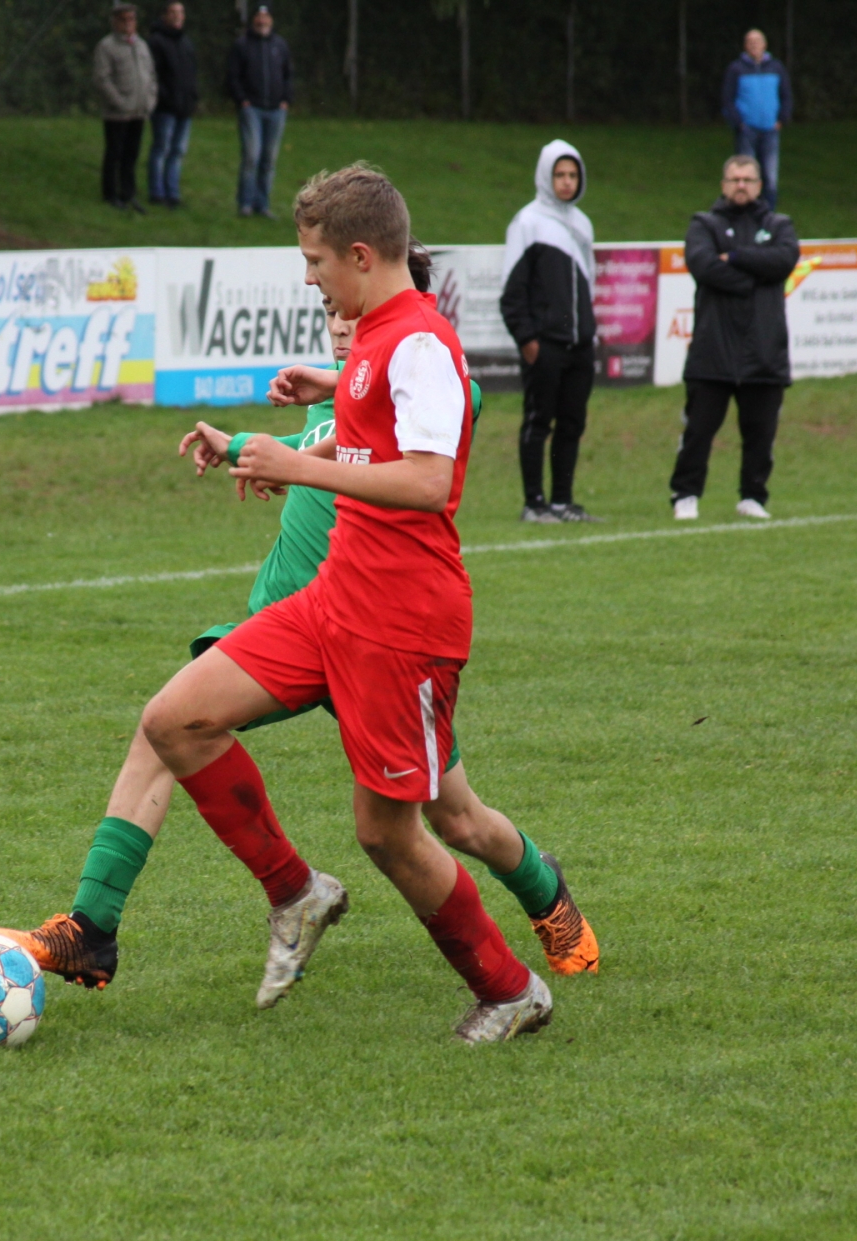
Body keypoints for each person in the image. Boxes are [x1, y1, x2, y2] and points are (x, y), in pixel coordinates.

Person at [6, 255, 598, 1002]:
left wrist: (329, 403)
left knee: (458, 820)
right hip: (294, 629)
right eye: (330, 317)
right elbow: (310, 446)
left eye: (352, 312)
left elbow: (440, 406)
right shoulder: (339, 408)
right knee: (166, 726)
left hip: (383, 642)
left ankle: (546, 897)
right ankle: (93, 926)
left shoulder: (424, 382)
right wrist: (244, 446)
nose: (342, 326)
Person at [142, 166, 553, 1043]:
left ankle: (510, 988)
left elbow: (428, 480)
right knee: (175, 720)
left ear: (361, 256)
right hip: (333, 599)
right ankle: (296, 891)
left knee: (390, 834)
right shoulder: (372, 335)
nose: (309, 279)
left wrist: (298, 465)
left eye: (316, 261)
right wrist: (266, 442)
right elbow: (368, 441)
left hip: (403, 623)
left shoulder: (420, 343)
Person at [669, 155, 799, 521]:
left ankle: (753, 497)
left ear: (760, 185)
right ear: (723, 185)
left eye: (748, 180)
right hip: (713, 349)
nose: (741, 185)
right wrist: (754, 280)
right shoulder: (704, 224)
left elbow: (784, 260)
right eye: (734, 179)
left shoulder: (779, 225)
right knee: (698, 430)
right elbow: (703, 264)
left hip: (764, 350)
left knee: (760, 432)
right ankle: (686, 494)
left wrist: (737, 257)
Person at [500, 139, 600, 525]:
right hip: (545, 347)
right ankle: (534, 503)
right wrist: (529, 341)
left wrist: (589, 334)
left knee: (572, 424)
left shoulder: (583, 224)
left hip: (580, 346)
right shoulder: (527, 222)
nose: (567, 181)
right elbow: (512, 293)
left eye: (573, 174)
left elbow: (588, 284)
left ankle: (562, 501)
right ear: (546, 176)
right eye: (559, 174)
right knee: (538, 422)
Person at [226, 3, 290, 217]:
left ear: (271, 20)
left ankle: (262, 204)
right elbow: (233, 75)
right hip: (251, 108)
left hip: (276, 110)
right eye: (259, 17)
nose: (262, 21)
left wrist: (286, 99)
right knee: (252, 156)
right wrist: (242, 100)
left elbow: (288, 74)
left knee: (269, 159)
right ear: (253, 19)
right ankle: (245, 203)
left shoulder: (279, 45)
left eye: (266, 17)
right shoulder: (242, 45)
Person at [93, 2, 156, 213]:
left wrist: (150, 100)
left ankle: (128, 193)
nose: (128, 24)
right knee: (115, 153)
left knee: (132, 154)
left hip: (139, 110)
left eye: (131, 19)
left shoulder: (141, 45)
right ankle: (110, 194)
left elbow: (151, 75)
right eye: (123, 20)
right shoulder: (107, 46)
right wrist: (119, 102)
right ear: (115, 22)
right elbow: (102, 79)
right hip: (118, 113)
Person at [721, 29, 790, 211]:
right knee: (745, 176)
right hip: (747, 130)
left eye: (757, 41)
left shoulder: (776, 67)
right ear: (745, 46)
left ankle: (768, 216)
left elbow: (786, 95)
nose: (754, 45)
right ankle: (746, 215)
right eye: (750, 42)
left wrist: (781, 120)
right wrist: (739, 123)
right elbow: (727, 99)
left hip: (770, 130)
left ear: (764, 44)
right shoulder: (736, 69)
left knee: (770, 177)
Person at [145, 1, 195, 210]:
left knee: (178, 151)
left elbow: (191, 74)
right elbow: (153, 74)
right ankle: (157, 192)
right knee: (161, 148)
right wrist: (164, 98)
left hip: (184, 107)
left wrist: (192, 98)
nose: (177, 16)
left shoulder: (185, 42)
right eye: (173, 12)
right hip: (165, 108)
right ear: (164, 15)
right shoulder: (156, 41)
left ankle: (172, 193)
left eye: (180, 12)